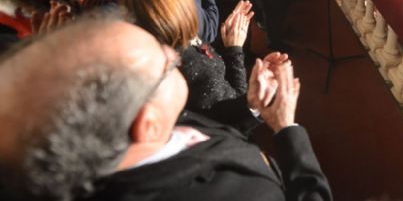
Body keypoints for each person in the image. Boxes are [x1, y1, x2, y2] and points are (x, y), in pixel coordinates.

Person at [0, 12, 332, 201]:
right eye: (164, 63)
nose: (175, 55)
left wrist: (252, 108)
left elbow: (199, 128)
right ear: (147, 124)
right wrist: (286, 128)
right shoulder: (243, 195)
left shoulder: (123, 125)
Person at [119, 0, 251, 111]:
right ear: (179, 5)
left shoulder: (157, 45)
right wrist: (235, 49)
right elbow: (237, 110)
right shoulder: (192, 64)